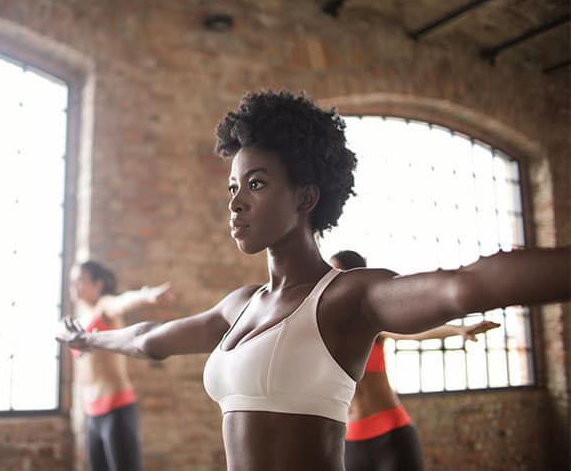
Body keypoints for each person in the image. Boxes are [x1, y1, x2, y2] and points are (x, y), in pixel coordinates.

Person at [57, 90, 570, 471]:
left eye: (256, 185)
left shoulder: (349, 296)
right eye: (233, 186)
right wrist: (87, 338)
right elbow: (150, 340)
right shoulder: (239, 305)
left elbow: (465, 286)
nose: (235, 202)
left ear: (305, 198)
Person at [330, 249, 500, 471]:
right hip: (350, 442)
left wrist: (456, 330)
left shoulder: (371, 323)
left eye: (336, 272)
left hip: (390, 436)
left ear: (352, 276)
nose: (331, 280)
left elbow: (414, 331)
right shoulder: (328, 330)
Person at [67, 260, 173, 471]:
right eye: (72, 282)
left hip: (115, 410)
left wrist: (146, 295)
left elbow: (122, 301)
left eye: (80, 280)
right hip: (91, 414)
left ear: (97, 284)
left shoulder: (104, 306)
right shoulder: (79, 316)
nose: (74, 287)